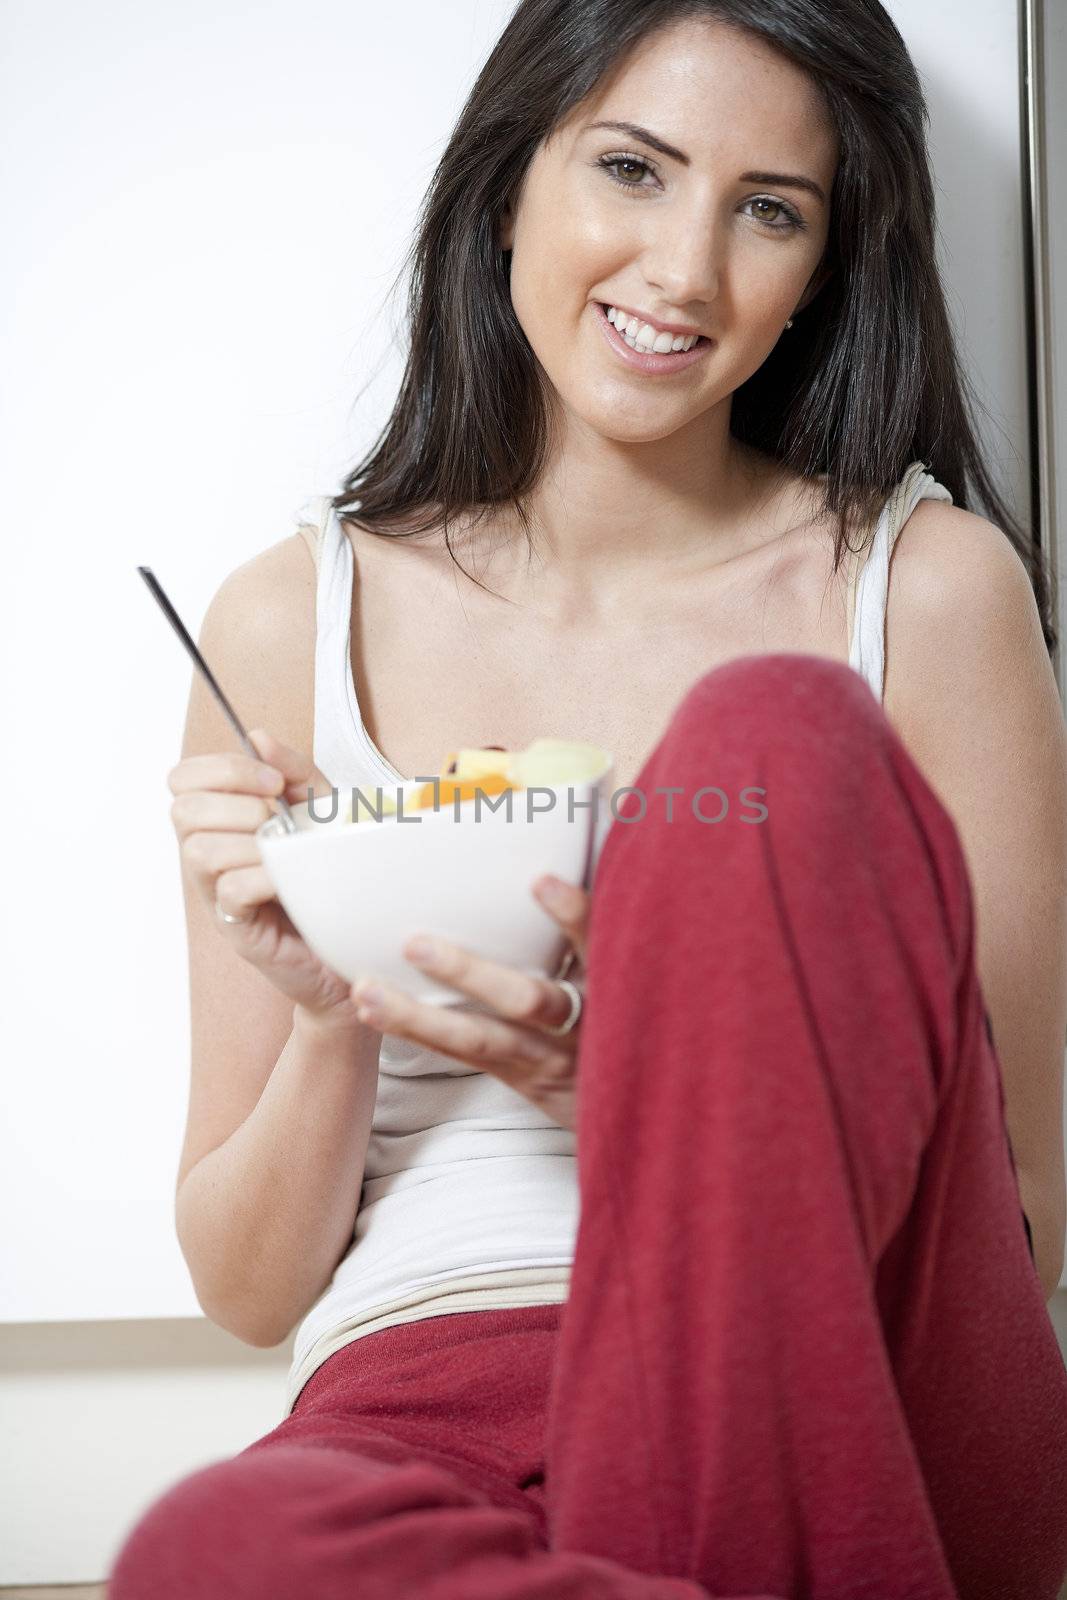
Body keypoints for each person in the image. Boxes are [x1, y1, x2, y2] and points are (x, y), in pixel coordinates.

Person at [108, 1, 1067, 1595]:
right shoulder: (290, 621)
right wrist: (339, 995)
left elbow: (1025, 1191)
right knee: (220, 1541)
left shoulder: (932, 587)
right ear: (506, 188)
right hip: (427, 1403)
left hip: (830, 1371)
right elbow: (249, 1289)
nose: (685, 269)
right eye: (632, 167)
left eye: (771, 209)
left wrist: (681, 1107)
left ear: (824, 269)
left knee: (771, 736)